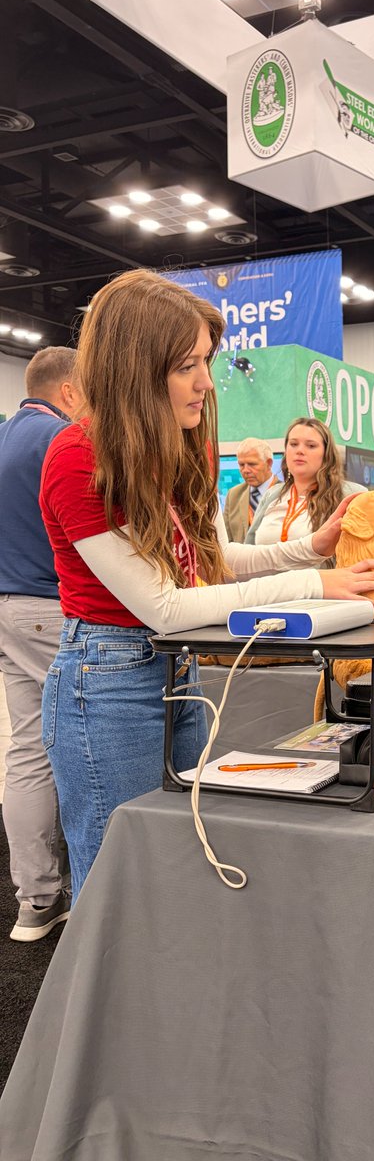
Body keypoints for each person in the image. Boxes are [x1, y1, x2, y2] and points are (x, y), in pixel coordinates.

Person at [38, 270, 374, 901]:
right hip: (110, 680)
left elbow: (210, 559)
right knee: (116, 881)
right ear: (135, 369)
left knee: (180, 859)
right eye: (187, 366)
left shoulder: (180, 447)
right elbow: (167, 606)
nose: (207, 382)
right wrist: (311, 583)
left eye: (206, 362)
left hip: (178, 673)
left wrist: (306, 550)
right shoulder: (77, 458)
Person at [0, 347, 80, 941]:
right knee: (86, 746)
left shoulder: (4, 437)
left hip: (6, 608)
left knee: (28, 752)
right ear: (71, 389)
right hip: (54, 609)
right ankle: (99, 893)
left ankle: (36, 901)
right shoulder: (61, 442)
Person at [246, 417, 365, 558]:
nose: (300, 451)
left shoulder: (351, 495)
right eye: (294, 444)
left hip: (321, 579)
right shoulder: (272, 495)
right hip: (266, 580)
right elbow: (248, 550)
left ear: (326, 454)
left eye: (311, 446)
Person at [223, 437, 277, 542]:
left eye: (252, 464)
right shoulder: (233, 495)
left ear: (269, 463)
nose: (246, 470)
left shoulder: (286, 493)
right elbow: (227, 540)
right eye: (241, 465)